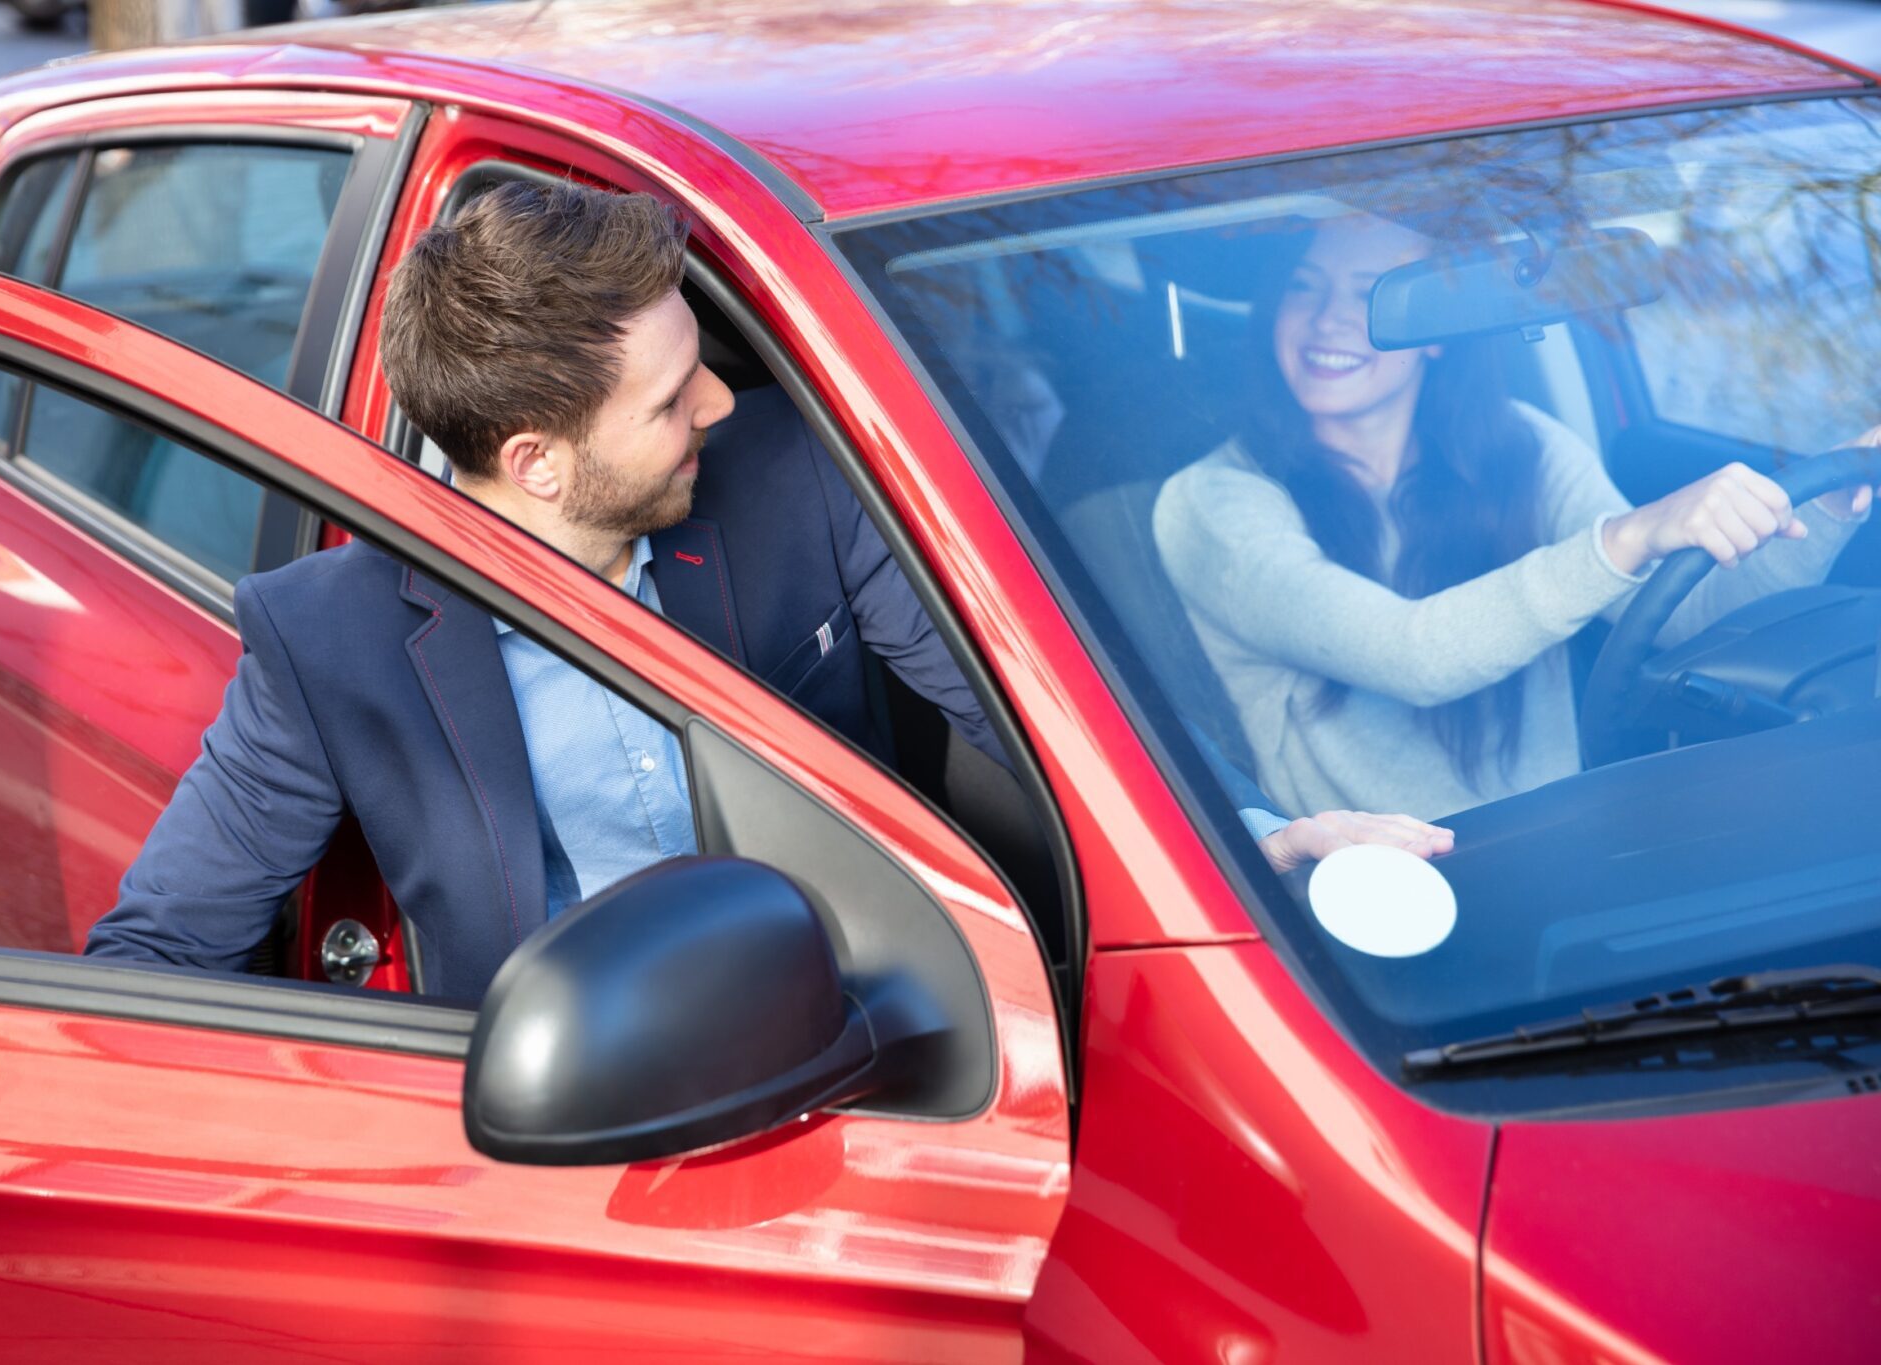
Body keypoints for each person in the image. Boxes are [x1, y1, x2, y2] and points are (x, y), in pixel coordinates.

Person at [83, 183, 1443, 1001]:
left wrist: (1242, 839)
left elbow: (1033, 712)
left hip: (889, 1048)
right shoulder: (328, 638)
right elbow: (156, 956)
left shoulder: (793, 478)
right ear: (537, 462)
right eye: (676, 397)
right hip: (577, 1124)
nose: (727, 405)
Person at [1154, 211, 1879, 823]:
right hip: (1384, 902)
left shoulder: (1519, 442)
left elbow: (1681, 613)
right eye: (1302, 290)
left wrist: (1822, 506)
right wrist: (1629, 535)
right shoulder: (1215, 501)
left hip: (1561, 849)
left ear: (1434, 333)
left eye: (1371, 296)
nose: (1327, 321)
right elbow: (1411, 655)